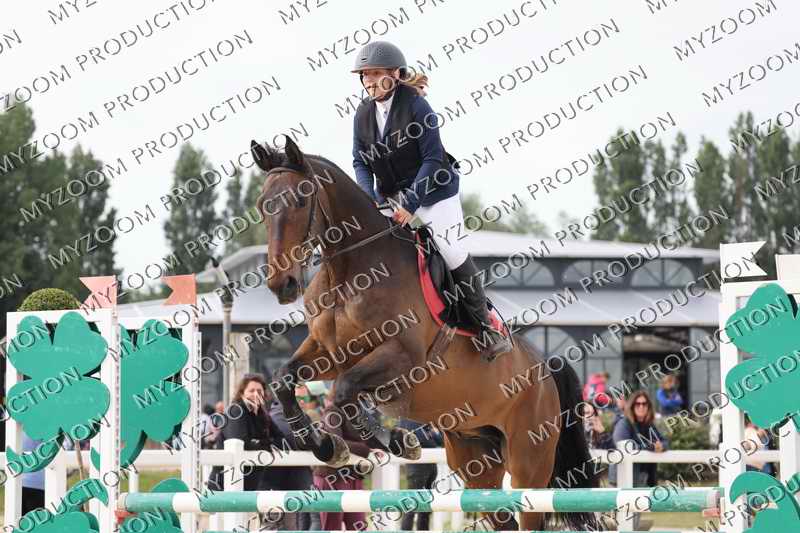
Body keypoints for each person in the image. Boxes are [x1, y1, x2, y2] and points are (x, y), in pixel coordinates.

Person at [350, 40, 511, 361]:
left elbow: (433, 158)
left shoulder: (417, 106)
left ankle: (485, 326)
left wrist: (410, 205)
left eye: (376, 73)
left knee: (450, 250)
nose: (369, 81)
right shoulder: (363, 113)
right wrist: (370, 199)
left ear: (396, 75)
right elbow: (360, 162)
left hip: (435, 193)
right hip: (392, 197)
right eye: (365, 75)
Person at [312, 393, 384, 531]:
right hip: (331, 476)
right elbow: (336, 442)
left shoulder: (359, 413)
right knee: (332, 528)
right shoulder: (332, 412)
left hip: (353, 475)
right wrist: (367, 450)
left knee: (358, 526)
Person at [207, 374, 284, 492]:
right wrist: (267, 444)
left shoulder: (263, 415)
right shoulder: (235, 411)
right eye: (251, 391)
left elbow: (281, 439)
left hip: (251, 482)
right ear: (242, 393)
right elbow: (242, 443)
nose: (256, 394)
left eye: (259, 391)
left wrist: (261, 443)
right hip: (225, 483)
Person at [610, 391, 669, 487]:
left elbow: (664, 442)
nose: (641, 407)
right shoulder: (623, 423)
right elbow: (624, 447)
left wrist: (661, 446)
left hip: (644, 478)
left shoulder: (649, 425)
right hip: (622, 479)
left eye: (644, 404)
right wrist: (651, 447)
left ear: (648, 407)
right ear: (632, 406)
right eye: (637, 404)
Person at [397, 419, 443, 531]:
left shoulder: (424, 418)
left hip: (431, 465)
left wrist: (431, 435)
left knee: (426, 507)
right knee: (411, 506)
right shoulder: (408, 417)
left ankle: (423, 530)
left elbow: (442, 440)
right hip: (416, 467)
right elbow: (419, 439)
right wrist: (433, 433)